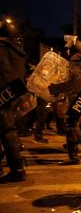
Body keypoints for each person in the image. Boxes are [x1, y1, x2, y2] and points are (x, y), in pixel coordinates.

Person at [49, 40, 81, 165]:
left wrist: (56, 88)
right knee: (72, 124)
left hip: (77, 95)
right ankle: (75, 154)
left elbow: (74, 82)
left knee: (69, 123)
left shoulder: (75, 60)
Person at [0, 16, 27, 182]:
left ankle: (17, 169)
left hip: (4, 93)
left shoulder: (2, 48)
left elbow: (4, 72)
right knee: (7, 130)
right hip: (15, 92)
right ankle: (16, 168)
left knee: (7, 131)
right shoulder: (16, 49)